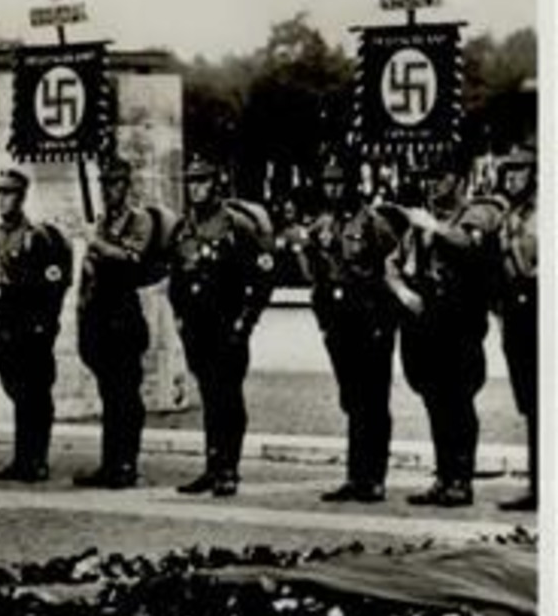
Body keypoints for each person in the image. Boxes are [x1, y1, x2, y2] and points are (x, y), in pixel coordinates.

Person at [283, 155, 401, 503]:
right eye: (327, 182)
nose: (332, 189)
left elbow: (392, 271)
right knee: (352, 399)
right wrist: (303, 248)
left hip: (370, 319)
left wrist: (385, 322)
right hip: (340, 322)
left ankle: (374, 478)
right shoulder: (324, 224)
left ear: (352, 184)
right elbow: (314, 276)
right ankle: (355, 475)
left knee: (373, 400)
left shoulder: (375, 223)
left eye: (338, 182)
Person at [387, 155, 502, 507]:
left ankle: (461, 481)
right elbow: (391, 263)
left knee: (458, 403)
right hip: (424, 326)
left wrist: (433, 228)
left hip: (458, 325)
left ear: (456, 179)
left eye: (440, 177)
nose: (433, 184)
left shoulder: (474, 214)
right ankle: (444, 477)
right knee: (435, 402)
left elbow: (469, 246)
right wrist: (403, 292)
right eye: (430, 178)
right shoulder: (421, 220)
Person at [168, 156, 275, 497]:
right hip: (197, 328)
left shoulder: (235, 225)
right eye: (191, 181)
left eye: (202, 180)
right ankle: (213, 466)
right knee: (211, 397)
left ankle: (230, 468)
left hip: (227, 326)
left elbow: (262, 276)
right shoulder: (184, 227)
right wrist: (180, 317)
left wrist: (245, 322)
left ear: (216, 183)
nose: (196, 187)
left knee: (228, 398)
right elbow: (178, 278)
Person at [0, 167, 73, 482]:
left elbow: (54, 282)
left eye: (8, 193)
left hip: (29, 327)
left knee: (34, 393)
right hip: (3, 325)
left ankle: (36, 459)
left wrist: (44, 324)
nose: (1, 199)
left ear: (21, 197)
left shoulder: (38, 236)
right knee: (16, 390)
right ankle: (22, 456)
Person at [75, 154, 158, 489]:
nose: (109, 190)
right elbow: (88, 274)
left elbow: (132, 260)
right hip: (99, 318)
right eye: (104, 184)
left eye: (115, 183)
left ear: (127, 186)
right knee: (110, 396)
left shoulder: (138, 221)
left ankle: (127, 463)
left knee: (126, 397)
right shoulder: (102, 224)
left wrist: (96, 243)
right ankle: (110, 462)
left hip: (123, 318)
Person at [492, 148, 537, 512]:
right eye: (507, 173)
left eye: (519, 172)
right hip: (516, 314)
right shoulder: (510, 217)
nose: (511, 179)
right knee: (531, 403)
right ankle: (538, 484)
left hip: (538, 306)